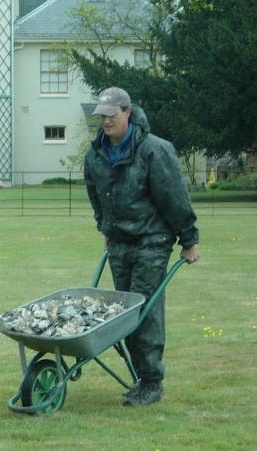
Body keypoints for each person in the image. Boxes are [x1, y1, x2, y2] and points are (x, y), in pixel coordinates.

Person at [84, 87, 200, 406]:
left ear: (127, 113)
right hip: (119, 243)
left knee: (143, 310)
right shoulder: (96, 154)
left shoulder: (153, 150)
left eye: (112, 114)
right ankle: (141, 378)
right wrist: (104, 226)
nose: (106, 121)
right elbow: (95, 194)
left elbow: (174, 197)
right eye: (102, 115)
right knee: (124, 313)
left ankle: (151, 381)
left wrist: (188, 240)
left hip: (152, 241)